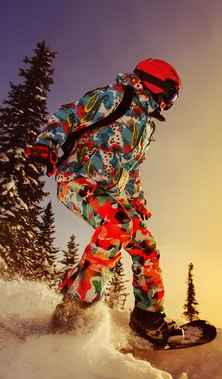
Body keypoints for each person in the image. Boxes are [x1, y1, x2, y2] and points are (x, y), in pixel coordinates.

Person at [25, 58, 183, 347]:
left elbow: (131, 170)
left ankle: (147, 318)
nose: (170, 103)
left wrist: (137, 201)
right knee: (117, 224)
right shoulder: (114, 97)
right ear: (155, 82)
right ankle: (75, 309)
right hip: (76, 180)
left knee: (144, 242)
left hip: (110, 193)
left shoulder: (146, 126)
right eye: (171, 94)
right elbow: (68, 115)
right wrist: (46, 143)